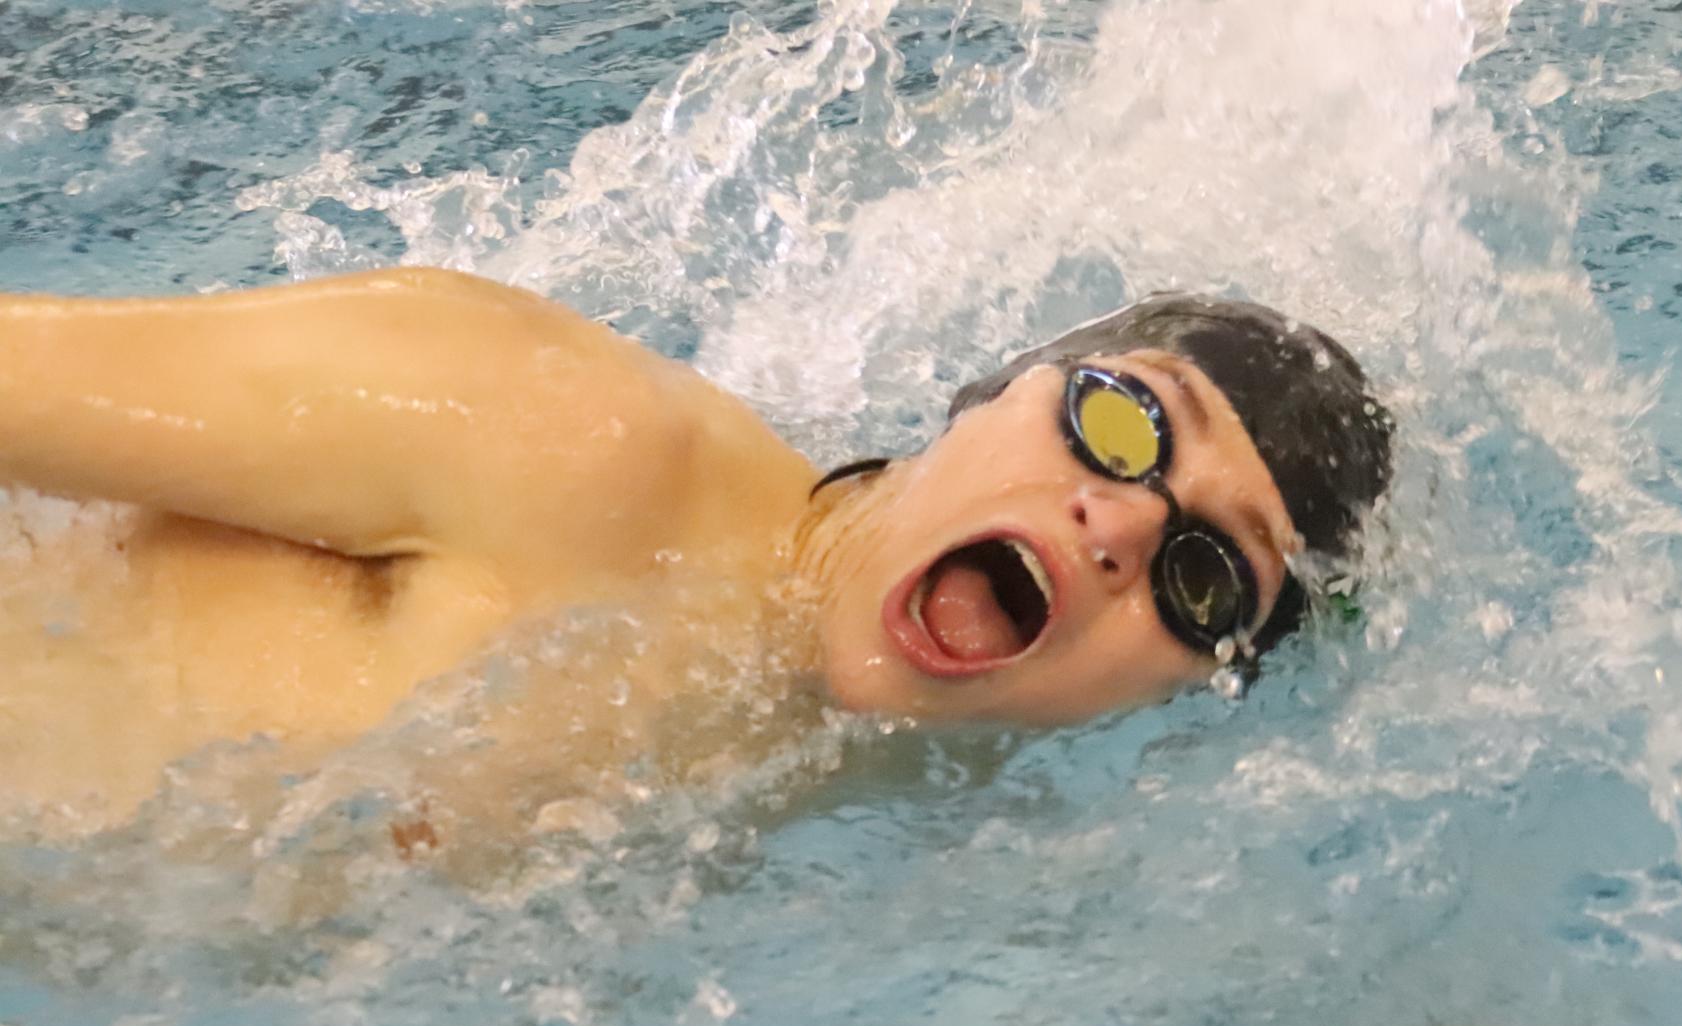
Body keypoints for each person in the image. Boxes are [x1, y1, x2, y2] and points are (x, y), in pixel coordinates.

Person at [0, 268, 1391, 834]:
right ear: (994, 391)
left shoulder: (834, 817)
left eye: (1205, 577)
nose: (1126, 522)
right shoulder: (563, 442)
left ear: (1171, 688)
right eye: (1125, 422)